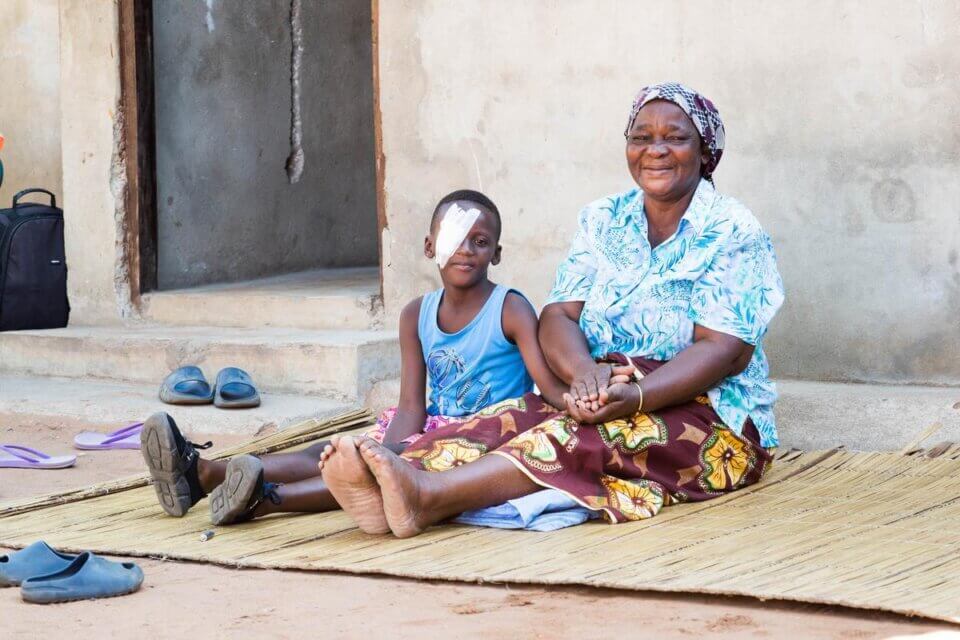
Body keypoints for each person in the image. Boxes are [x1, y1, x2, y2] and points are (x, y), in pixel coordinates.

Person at [318, 82, 786, 538]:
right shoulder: (603, 218)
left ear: (705, 152)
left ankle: (427, 496)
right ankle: (388, 487)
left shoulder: (732, 229)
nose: (656, 150)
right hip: (605, 386)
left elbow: (725, 350)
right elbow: (559, 315)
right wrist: (584, 373)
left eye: (675, 138)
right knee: (498, 422)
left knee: (580, 437)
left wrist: (638, 398)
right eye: (641, 137)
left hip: (710, 414)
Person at [140, 189, 571, 525]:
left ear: (495, 253)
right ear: (429, 246)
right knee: (332, 452)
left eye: (480, 242)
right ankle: (206, 475)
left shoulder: (510, 308)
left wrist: (577, 401)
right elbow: (410, 406)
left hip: (482, 437)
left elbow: (545, 388)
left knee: (365, 471)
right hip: (426, 429)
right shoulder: (415, 315)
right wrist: (389, 446)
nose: (466, 250)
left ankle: (264, 499)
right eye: (455, 239)